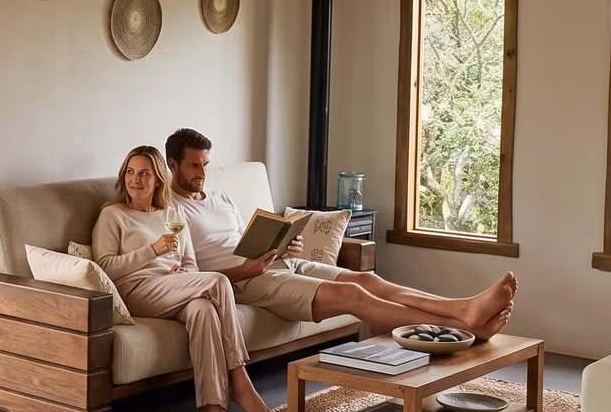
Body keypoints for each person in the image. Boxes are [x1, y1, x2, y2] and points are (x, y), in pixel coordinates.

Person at [163, 128, 517, 338]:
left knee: (369, 280)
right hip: (244, 283)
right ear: (172, 164)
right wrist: (246, 270)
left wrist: (283, 246)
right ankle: (464, 327)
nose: (202, 173)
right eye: (194, 165)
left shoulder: (221, 197)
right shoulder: (169, 211)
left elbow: (245, 241)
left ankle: (462, 307)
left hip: (278, 265)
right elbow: (188, 275)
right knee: (353, 296)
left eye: (206, 164)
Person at [92, 144, 274, 412]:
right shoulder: (113, 215)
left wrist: (184, 275)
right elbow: (105, 267)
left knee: (203, 311)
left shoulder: (173, 213)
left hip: (172, 288)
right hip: (135, 290)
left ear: (158, 180)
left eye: (144, 173)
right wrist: (153, 250)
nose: (136, 179)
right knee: (218, 282)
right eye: (130, 172)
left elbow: (190, 262)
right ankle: (240, 377)